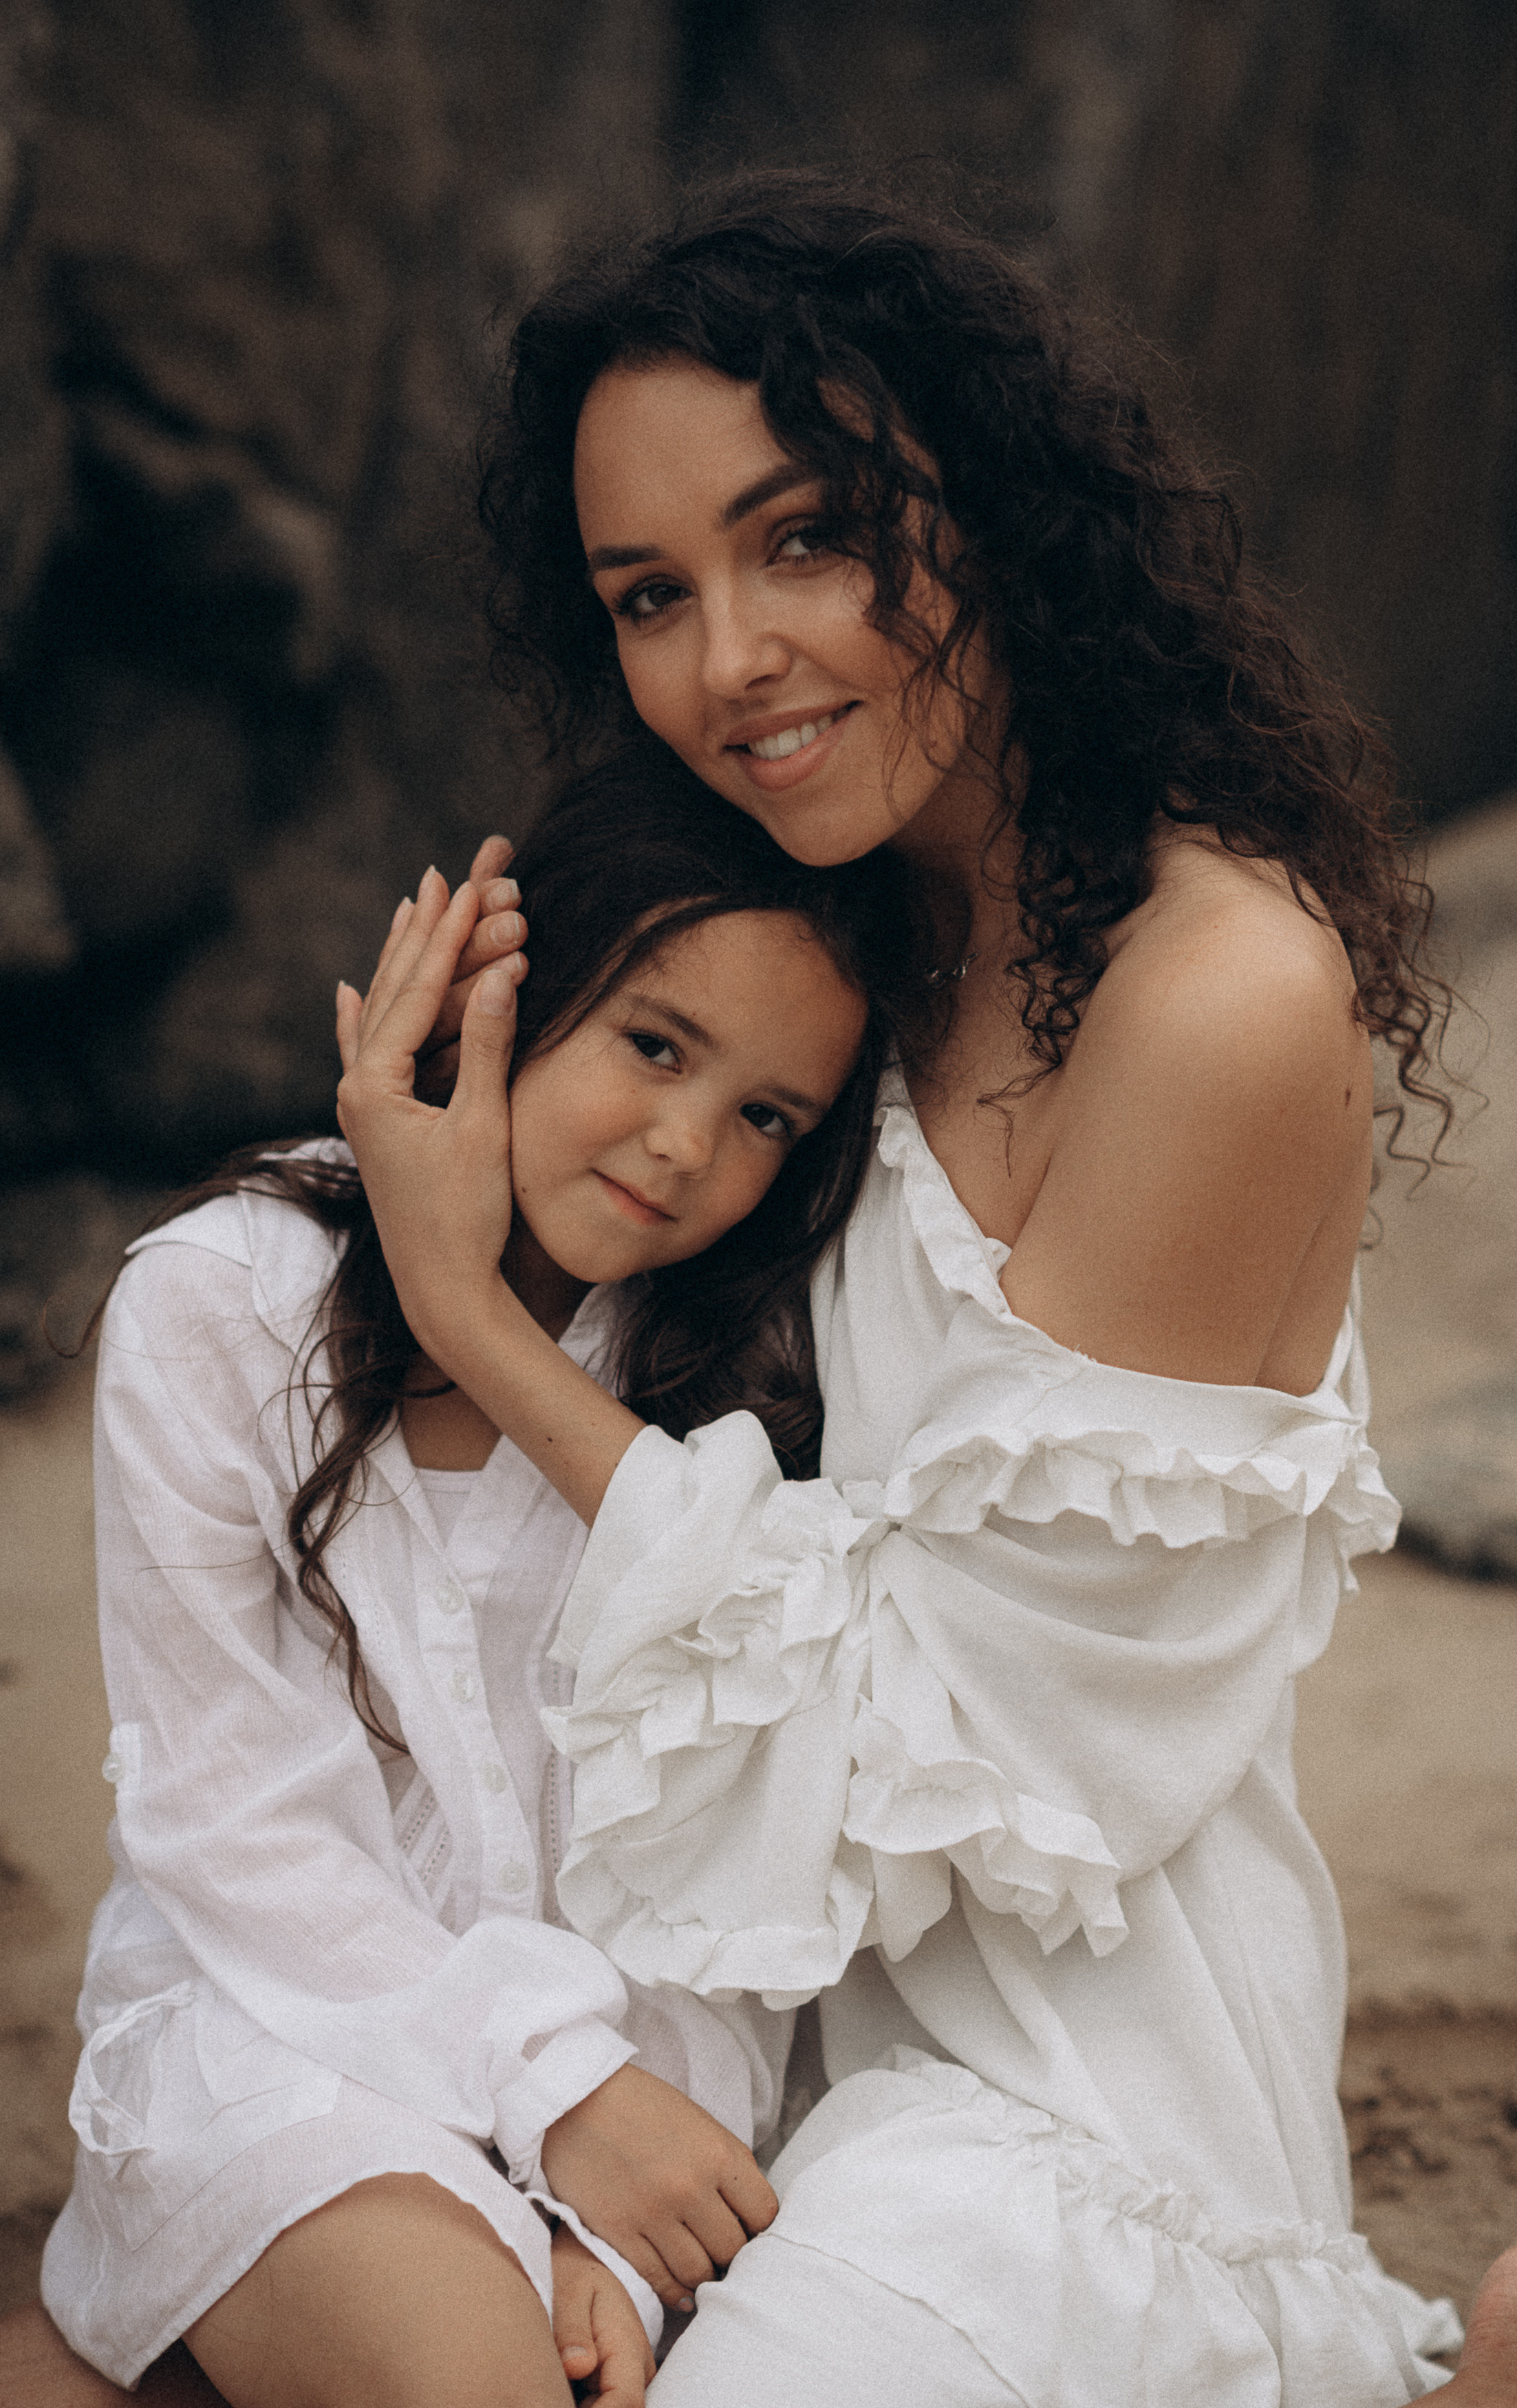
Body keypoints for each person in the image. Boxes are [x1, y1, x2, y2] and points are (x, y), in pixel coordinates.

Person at [327, 171, 1517, 2407]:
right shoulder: (817, 970)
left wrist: (483, 1331)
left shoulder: (1213, 998)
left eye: (800, 536)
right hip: (720, 2025)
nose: (727, 660)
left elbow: (973, 1735)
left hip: (1061, 2098)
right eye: (649, 590)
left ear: (987, 503)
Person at [23, 749, 927, 2408]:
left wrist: (621, 2213)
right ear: (503, 988)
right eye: (656, 1043)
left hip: (644, 2103)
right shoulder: (221, 1304)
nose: (681, 1145)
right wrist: (554, 2089)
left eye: (764, 1117)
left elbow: (739, 1871)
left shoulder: (746, 1383)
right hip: (287, 2036)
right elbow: (232, 1818)